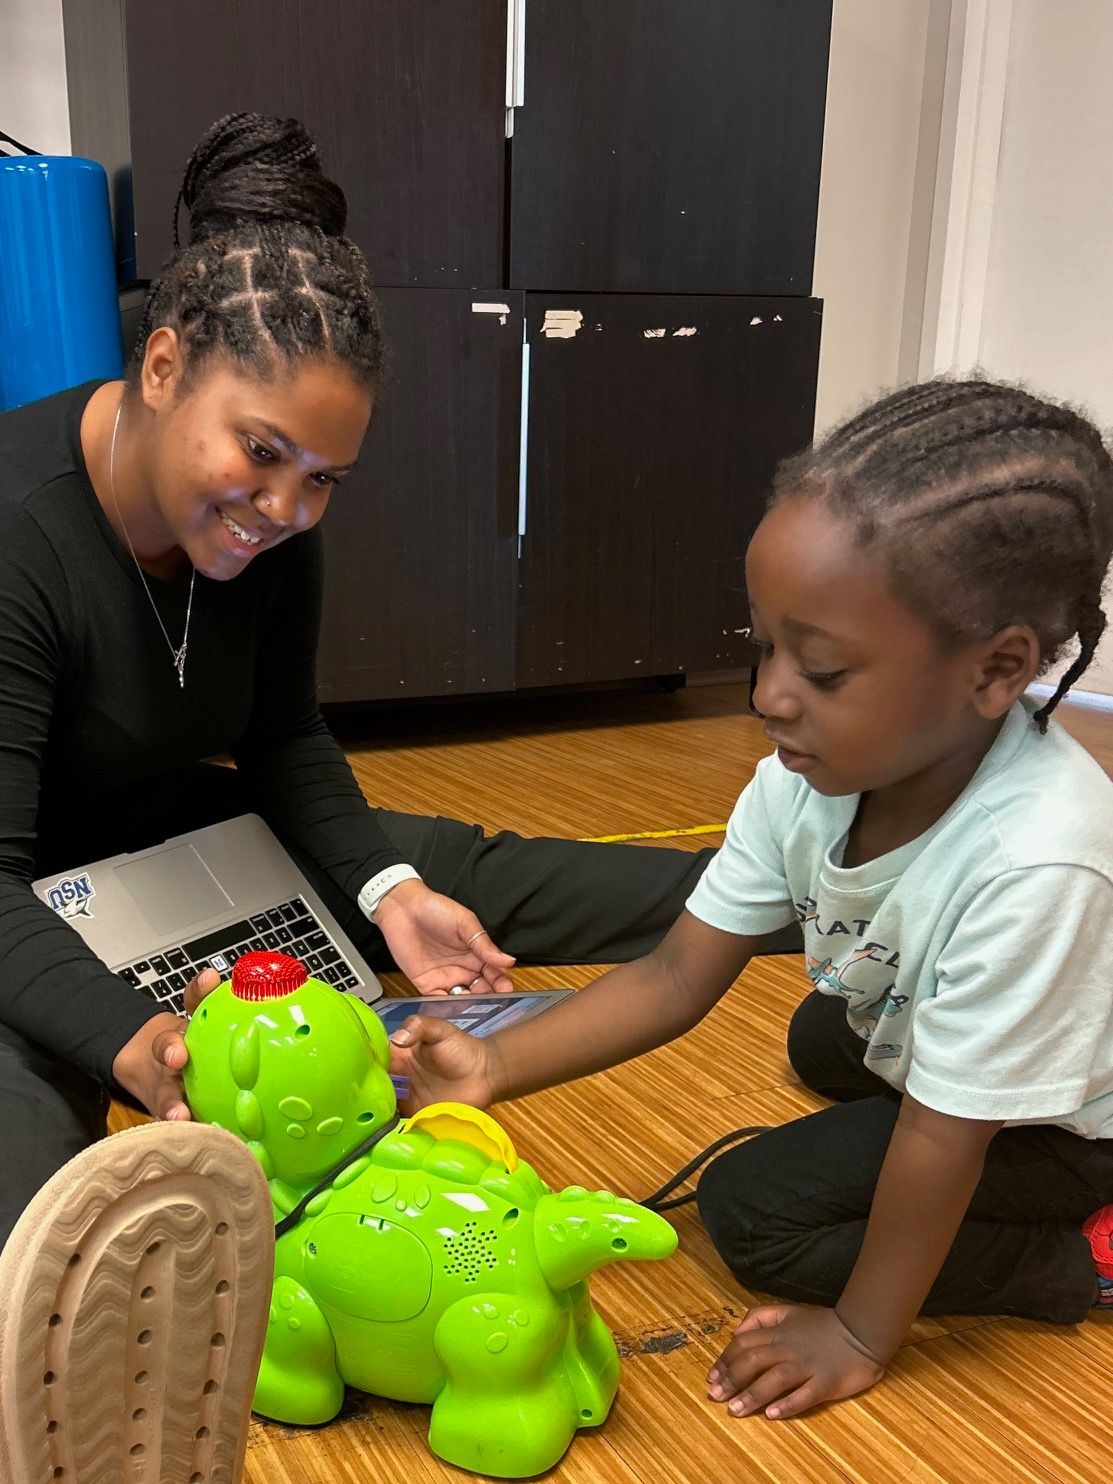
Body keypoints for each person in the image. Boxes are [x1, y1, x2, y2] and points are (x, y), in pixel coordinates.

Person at [0, 111, 806, 1254]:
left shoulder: (269, 527)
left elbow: (281, 734)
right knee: (31, 1134)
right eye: (263, 452)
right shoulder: (19, 533)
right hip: (12, 877)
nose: (285, 509)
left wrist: (385, 892)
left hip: (146, 834)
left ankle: (822, 903)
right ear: (164, 364)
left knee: (449, 874)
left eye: (325, 477)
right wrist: (133, 1036)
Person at [388, 376, 1113, 1422]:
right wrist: (494, 1061)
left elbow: (941, 1139)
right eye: (763, 645)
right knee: (825, 1032)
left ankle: (1076, 1261)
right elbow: (678, 970)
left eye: (822, 668)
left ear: (996, 670)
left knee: (754, 1213)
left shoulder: (1040, 861)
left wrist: (863, 1330)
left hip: (1068, 1122)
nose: (770, 694)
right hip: (960, 1062)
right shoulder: (802, 776)